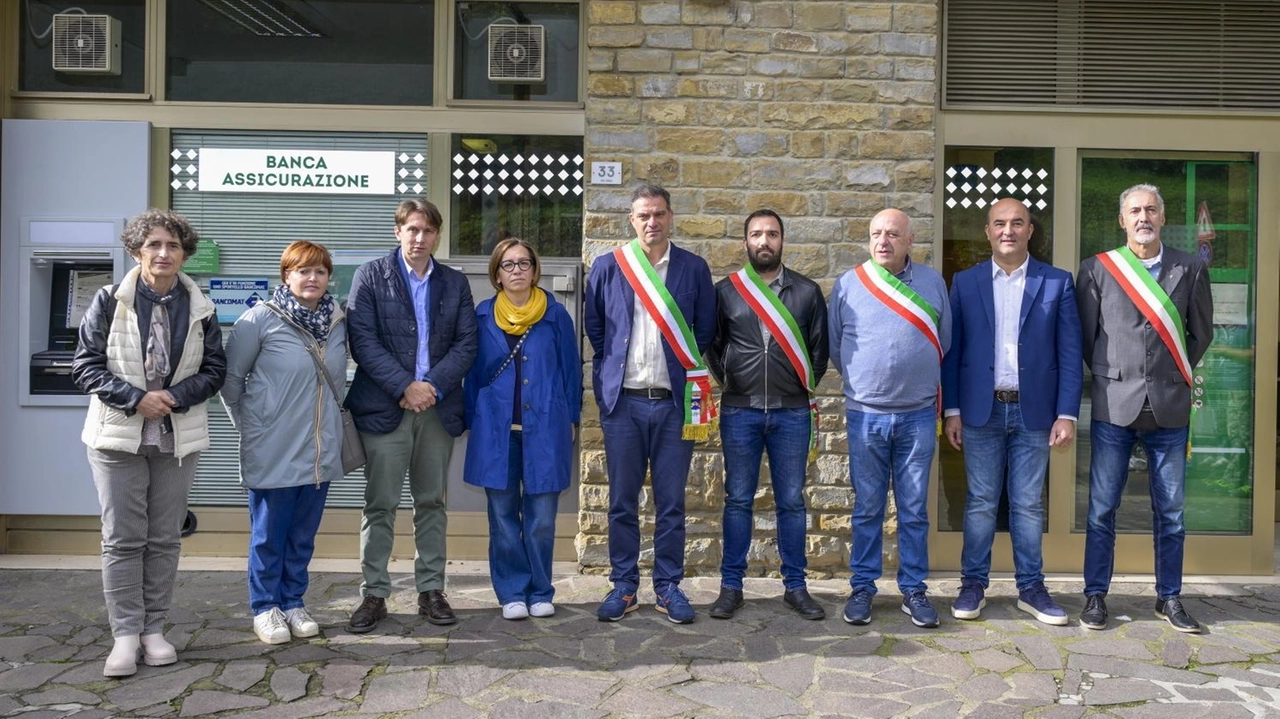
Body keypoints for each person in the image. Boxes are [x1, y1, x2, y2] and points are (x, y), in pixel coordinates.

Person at [71, 210, 226, 677]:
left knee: (163, 538)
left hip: (176, 438)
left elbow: (215, 369)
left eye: (173, 246)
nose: (164, 253)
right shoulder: (107, 300)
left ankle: (154, 630)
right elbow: (84, 366)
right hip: (118, 436)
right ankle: (124, 635)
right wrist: (136, 399)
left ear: (184, 254)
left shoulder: (202, 306)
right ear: (136, 250)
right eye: (154, 244)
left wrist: (173, 398)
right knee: (122, 538)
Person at [1076, 183, 1213, 633]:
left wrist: (1173, 374)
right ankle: (1096, 596)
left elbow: (1202, 333)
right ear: (1122, 220)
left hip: (1169, 409)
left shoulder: (1189, 267)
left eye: (1151, 209)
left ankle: (1168, 597)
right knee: (1101, 509)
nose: (1143, 217)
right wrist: (1118, 372)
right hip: (1115, 406)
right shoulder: (1098, 269)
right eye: (1134, 210)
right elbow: (1087, 337)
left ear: (1162, 215)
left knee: (1171, 512)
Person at [941, 198, 1083, 625]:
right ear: (987, 232)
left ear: (1030, 231)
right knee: (981, 502)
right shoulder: (964, 284)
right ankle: (973, 585)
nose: (1008, 231)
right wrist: (952, 409)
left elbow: (1070, 354)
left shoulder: (1057, 282)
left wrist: (1067, 413)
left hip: (1034, 412)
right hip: (982, 411)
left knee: (1026, 505)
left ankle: (1032, 588)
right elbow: (953, 352)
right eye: (999, 224)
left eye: (1017, 223)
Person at [343, 199, 478, 633]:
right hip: (386, 408)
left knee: (432, 504)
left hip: (436, 409)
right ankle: (374, 593)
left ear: (438, 235)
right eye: (412, 230)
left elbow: (466, 344)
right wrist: (405, 386)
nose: (420, 239)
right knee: (379, 504)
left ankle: (431, 590)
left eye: (428, 231)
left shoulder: (455, 283)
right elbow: (361, 340)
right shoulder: (370, 276)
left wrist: (430, 387)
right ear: (397, 231)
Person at [585, 184, 716, 624]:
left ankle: (668, 586)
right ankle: (624, 586)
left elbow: (705, 332)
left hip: (674, 405)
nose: (652, 222)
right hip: (624, 405)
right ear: (632, 220)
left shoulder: (693, 268)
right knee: (621, 500)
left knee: (671, 502)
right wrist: (607, 392)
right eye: (644, 215)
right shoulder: (608, 267)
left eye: (659, 214)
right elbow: (598, 333)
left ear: (671, 216)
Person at [829, 208, 951, 628]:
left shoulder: (933, 283)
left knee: (914, 509)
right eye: (876, 234)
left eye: (893, 234)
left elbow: (944, 341)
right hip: (865, 415)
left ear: (909, 240)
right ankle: (863, 587)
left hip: (918, 415)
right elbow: (836, 346)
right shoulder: (849, 284)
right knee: (867, 508)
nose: (883, 241)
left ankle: (914, 590)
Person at [222, 241, 348, 644]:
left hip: (319, 450)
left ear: (329, 278)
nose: (312, 278)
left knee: (302, 535)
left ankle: (293, 601)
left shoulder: (337, 321)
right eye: (303, 271)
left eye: (320, 271)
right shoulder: (259, 319)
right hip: (272, 449)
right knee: (268, 535)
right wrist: (253, 428)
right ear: (286, 275)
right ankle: (265, 608)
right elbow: (230, 382)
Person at [705, 209, 828, 620]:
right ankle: (731, 586)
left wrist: (791, 386)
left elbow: (818, 354)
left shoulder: (807, 292)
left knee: (791, 502)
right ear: (745, 242)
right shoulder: (726, 292)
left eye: (772, 234)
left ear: (782, 241)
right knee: (737, 500)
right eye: (756, 234)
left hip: (792, 413)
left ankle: (796, 586)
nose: (764, 241)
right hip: (740, 412)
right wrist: (734, 381)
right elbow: (713, 347)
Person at [463, 238, 581, 620]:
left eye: (524, 263)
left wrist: (572, 418)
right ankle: (512, 591)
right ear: (496, 274)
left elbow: (570, 371)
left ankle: (540, 589)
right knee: (502, 516)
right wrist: (472, 420)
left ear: (535, 269)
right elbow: (473, 376)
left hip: (546, 427)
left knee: (542, 518)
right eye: (508, 265)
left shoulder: (555, 315)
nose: (517, 270)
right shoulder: (482, 316)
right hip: (496, 432)